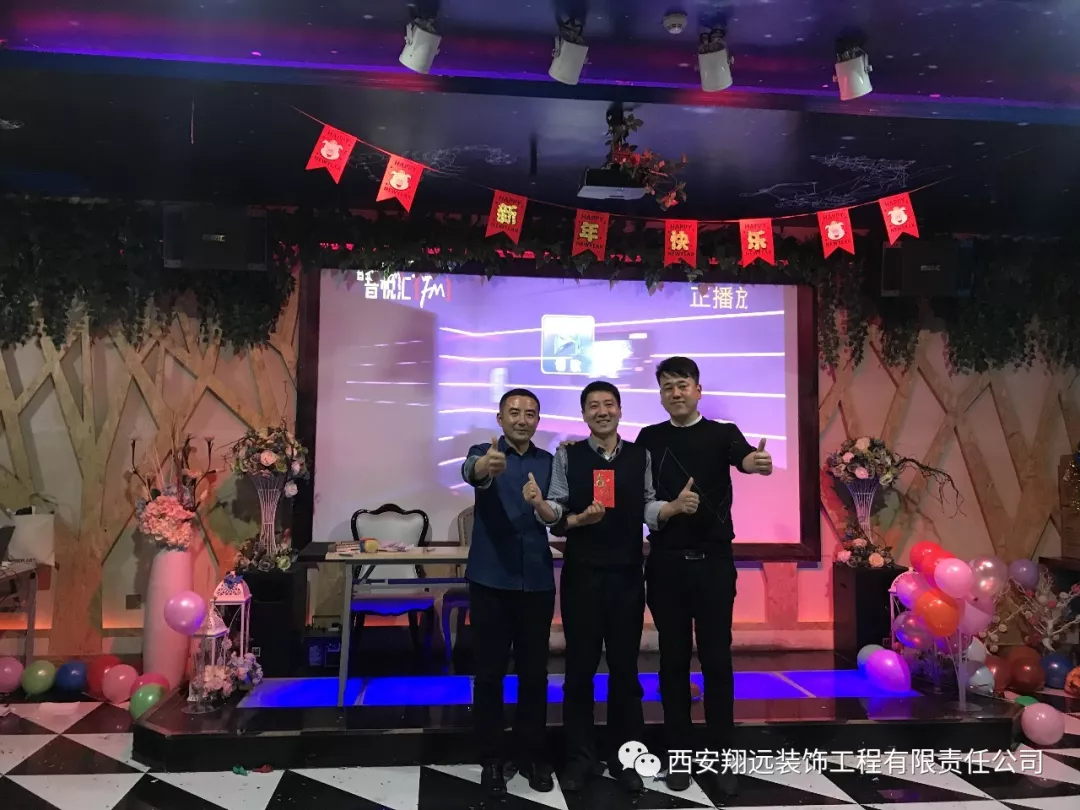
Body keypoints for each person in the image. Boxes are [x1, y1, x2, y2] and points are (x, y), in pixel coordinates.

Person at [526, 381, 697, 793]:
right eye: (593, 406)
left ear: (620, 410)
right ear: (584, 414)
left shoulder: (640, 455)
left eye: (608, 404)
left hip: (626, 576)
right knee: (579, 670)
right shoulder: (568, 455)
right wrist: (544, 508)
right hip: (582, 575)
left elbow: (649, 503)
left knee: (625, 670)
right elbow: (557, 506)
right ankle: (579, 758)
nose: (602, 412)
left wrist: (671, 509)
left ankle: (628, 759)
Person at [634, 356, 773, 795]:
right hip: (666, 563)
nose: (675, 393)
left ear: (698, 389)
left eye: (682, 384)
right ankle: (679, 755)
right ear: (660, 395)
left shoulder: (722, 433)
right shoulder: (648, 438)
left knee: (716, 660)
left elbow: (744, 458)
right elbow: (640, 494)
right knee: (672, 661)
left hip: (713, 562)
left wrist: (755, 462)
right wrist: (671, 509)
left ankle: (721, 756)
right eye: (667, 387)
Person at [461, 388, 557, 796]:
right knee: (489, 674)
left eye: (530, 413)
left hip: (536, 581)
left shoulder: (549, 462)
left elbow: (557, 513)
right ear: (500, 419)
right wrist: (487, 465)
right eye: (514, 413)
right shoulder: (484, 452)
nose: (522, 419)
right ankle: (492, 759)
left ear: (538, 421)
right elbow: (472, 471)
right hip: (491, 581)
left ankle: (532, 754)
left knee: (535, 674)